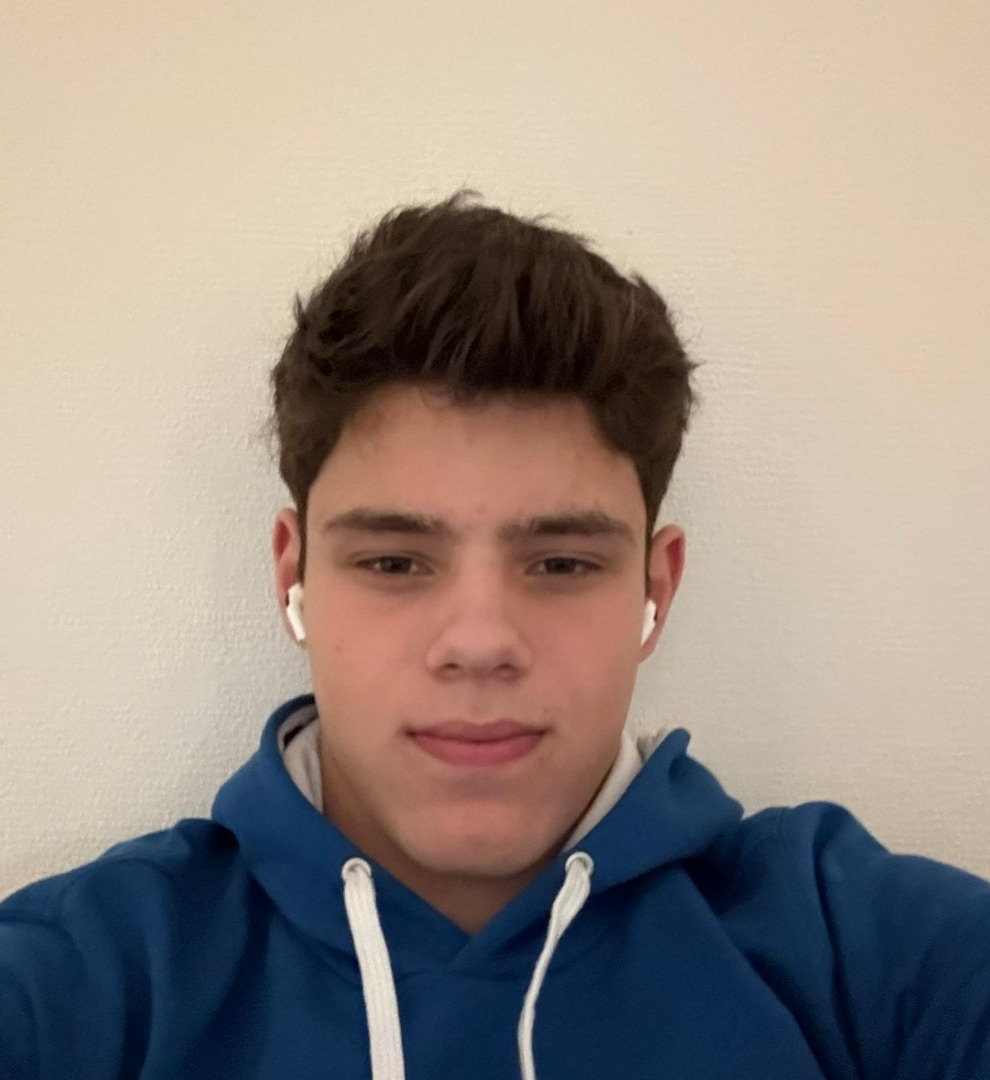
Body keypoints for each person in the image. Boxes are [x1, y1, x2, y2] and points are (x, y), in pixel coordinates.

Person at [1, 191, 987, 1080]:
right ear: (293, 576)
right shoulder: (84, 981)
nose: (479, 642)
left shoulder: (873, 958)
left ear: (656, 589)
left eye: (561, 564)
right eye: (395, 562)